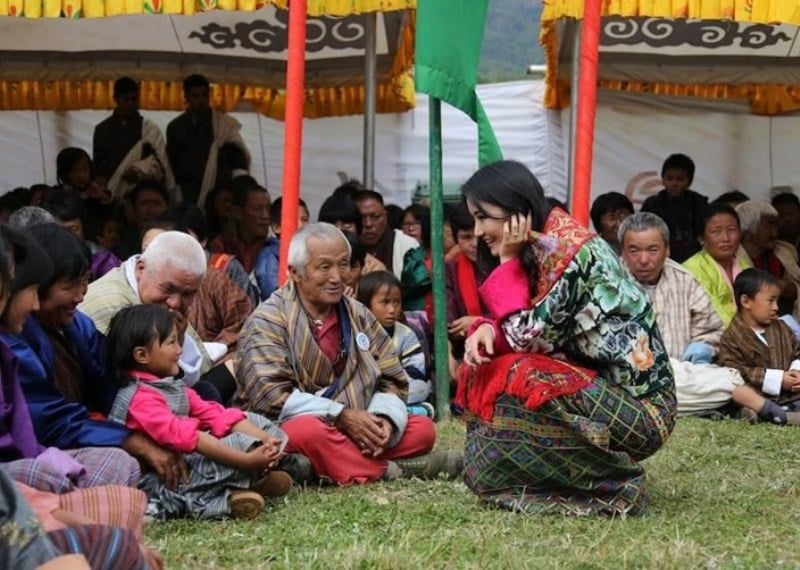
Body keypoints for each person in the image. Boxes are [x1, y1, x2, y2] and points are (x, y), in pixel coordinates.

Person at [457, 160, 676, 516]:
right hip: (603, 393)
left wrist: (507, 260)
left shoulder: (566, 253)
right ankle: (505, 472)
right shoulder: (545, 242)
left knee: (520, 371)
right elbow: (521, 326)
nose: (478, 230)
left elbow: (522, 338)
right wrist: (485, 328)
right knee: (486, 363)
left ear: (516, 209)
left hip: (645, 415)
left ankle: (618, 485)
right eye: (474, 219)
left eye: (483, 217)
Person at [235, 223, 459, 484]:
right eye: (324, 267)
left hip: (357, 421)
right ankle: (394, 470)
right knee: (307, 433)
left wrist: (383, 420)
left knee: (422, 430)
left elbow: (391, 377)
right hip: (296, 425)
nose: (337, 277)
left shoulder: (358, 313)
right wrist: (340, 415)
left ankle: (325, 465)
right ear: (295, 272)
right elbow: (272, 397)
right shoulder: (268, 320)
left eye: (344, 265)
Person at [105, 304, 291, 520]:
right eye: (172, 342)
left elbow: (214, 414)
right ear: (142, 355)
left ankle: (245, 484)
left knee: (257, 423)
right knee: (241, 444)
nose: (179, 350)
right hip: (166, 480)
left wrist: (266, 441)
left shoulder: (170, 386)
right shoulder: (139, 399)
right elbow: (192, 438)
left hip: (191, 462)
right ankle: (226, 495)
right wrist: (246, 460)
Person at [0, 226, 144, 492]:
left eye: (85, 281)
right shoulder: (13, 342)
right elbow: (46, 423)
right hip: (29, 460)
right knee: (117, 462)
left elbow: (110, 384)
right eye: (68, 286)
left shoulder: (76, 325)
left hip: (60, 444)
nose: (80, 296)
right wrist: (129, 441)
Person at [80, 230, 237, 404]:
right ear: (141, 269)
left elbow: (198, 369)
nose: (175, 303)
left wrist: (179, 338)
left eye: (187, 294)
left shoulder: (158, 300)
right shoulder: (111, 308)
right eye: (168, 289)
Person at [618, 213, 745, 415]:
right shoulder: (609, 282)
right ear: (622, 252)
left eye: (652, 250)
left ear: (667, 249)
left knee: (731, 379)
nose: (643, 259)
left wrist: (702, 348)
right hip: (628, 378)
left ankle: (662, 404)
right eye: (634, 250)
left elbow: (712, 330)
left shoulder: (684, 279)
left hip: (682, 375)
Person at [140, 218, 251, 354]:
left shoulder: (214, 280)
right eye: (146, 251)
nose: (174, 303)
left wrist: (212, 352)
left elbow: (242, 323)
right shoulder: (135, 289)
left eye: (161, 250)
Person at [717, 269, 800, 425]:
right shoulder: (731, 337)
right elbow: (734, 371)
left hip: (793, 393)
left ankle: (781, 414)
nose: (776, 307)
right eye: (770, 301)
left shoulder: (782, 328)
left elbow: (798, 352)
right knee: (742, 395)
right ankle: (776, 414)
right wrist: (778, 379)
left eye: (777, 301)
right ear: (746, 301)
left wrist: (796, 372)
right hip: (761, 395)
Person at [166, 74, 250, 207]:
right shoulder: (175, 127)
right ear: (186, 97)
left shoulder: (223, 125)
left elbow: (239, 158)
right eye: (195, 96)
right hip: (188, 192)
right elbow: (171, 164)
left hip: (218, 192)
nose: (201, 100)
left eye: (204, 95)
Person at [357, 271, 433, 417]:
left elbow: (416, 372)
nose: (392, 309)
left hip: (398, 388)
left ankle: (386, 410)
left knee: (422, 388)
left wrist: (394, 386)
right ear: (366, 305)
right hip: (368, 389)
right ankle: (409, 412)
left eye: (397, 302)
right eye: (385, 303)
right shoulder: (358, 333)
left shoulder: (406, 335)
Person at [93, 76, 174, 200]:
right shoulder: (102, 129)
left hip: (142, 191)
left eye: (134, 99)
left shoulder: (148, 128)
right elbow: (99, 165)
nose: (130, 103)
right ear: (115, 99)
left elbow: (161, 163)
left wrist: (139, 170)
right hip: (111, 192)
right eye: (126, 99)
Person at [683, 203, 752, 326]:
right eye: (716, 231)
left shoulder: (745, 267)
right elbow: (713, 316)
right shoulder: (691, 270)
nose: (726, 238)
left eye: (731, 230)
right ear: (701, 238)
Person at [445, 204, 489, 379]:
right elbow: (446, 322)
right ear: (456, 239)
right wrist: (446, 354)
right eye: (466, 237)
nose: (475, 244)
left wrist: (479, 322)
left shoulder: (504, 264)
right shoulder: (449, 269)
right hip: (463, 352)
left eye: (480, 236)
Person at [736, 200, 800, 320]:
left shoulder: (784, 253)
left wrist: (793, 290)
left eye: (775, 226)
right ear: (748, 230)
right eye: (769, 226)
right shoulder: (732, 259)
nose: (775, 232)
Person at [40, 190, 121, 282]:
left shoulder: (103, 261)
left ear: (83, 227)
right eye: (59, 231)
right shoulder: (38, 260)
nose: (67, 237)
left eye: (73, 229)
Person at [641, 153, 709, 262]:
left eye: (680, 179)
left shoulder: (699, 204)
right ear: (663, 179)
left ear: (689, 181)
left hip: (694, 259)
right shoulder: (652, 205)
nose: (674, 183)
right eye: (669, 178)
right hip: (660, 258)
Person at [208, 175, 270, 274]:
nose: (265, 216)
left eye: (268, 208)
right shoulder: (221, 244)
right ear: (238, 212)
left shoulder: (273, 245)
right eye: (258, 209)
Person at [253, 197, 310, 301]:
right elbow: (272, 293)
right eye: (294, 220)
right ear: (276, 228)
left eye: (304, 219)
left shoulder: (309, 252)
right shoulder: (269, 255)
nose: (301, 225)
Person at [112, 181, 170, 261]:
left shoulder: (180, 242)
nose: (151, 211)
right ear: (134, 208)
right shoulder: (121, 249)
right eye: (144, 203)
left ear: (166, 207)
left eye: (157, 204)